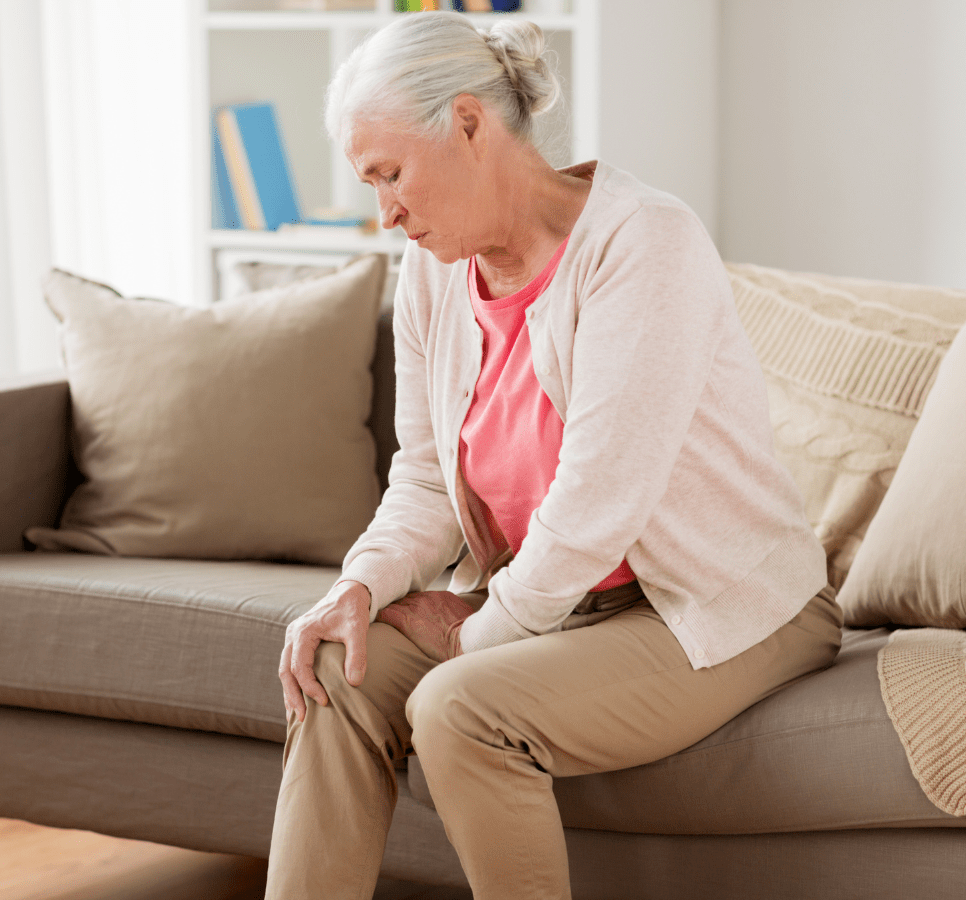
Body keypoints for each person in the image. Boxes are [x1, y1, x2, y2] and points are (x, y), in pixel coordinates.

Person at [266, 11, 842, 900]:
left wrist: (475, 631)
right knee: (339, 669)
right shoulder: (432, 268)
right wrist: (357, 589)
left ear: (467, 124)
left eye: (390, 175)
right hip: (557, 604)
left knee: (461, 710)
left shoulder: (641, 242)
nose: (384, 215)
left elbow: (597, 506)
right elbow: (422, 476)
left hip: (709, 605)